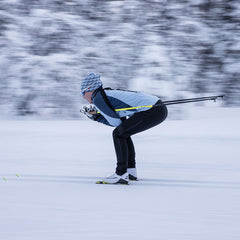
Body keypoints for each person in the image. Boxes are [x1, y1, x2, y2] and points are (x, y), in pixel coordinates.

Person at [80, 73, 168, 184]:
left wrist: (96, 117)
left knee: (118, 134)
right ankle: (130, 172)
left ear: (90, 89)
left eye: (83, 93)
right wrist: (98, 116)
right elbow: (120, 123)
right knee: (122, 133)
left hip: (152, 110)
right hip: (157, 108)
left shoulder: (98, 98)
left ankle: (121, 174)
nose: (83, 96)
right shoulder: (104, 95)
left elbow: (115, 122)